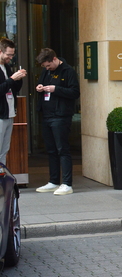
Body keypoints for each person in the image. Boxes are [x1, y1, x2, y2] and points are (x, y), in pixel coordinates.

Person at [34, 48, 80, 196]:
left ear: (54, 59)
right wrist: (39, 87)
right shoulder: (46, 72)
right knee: (51, 150)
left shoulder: (68, 72)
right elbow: (40, 83)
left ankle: (67, 183)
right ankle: (53, 181)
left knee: (62, 149)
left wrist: (56, 89)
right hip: (47, 115)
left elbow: (75, 92)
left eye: (48, 65)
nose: (47, 68)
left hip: (61, 115)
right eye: (45, 67)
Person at [0, 38, 27, 166]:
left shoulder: (6, 67)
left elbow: (14, 89)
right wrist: (12, 79)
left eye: (12, 55)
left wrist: (19, 78)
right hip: (1, 114)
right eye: (8, 55)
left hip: (9, 113)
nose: (10, 58)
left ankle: (2, 179)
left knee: (4, 150)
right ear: (0, 52)